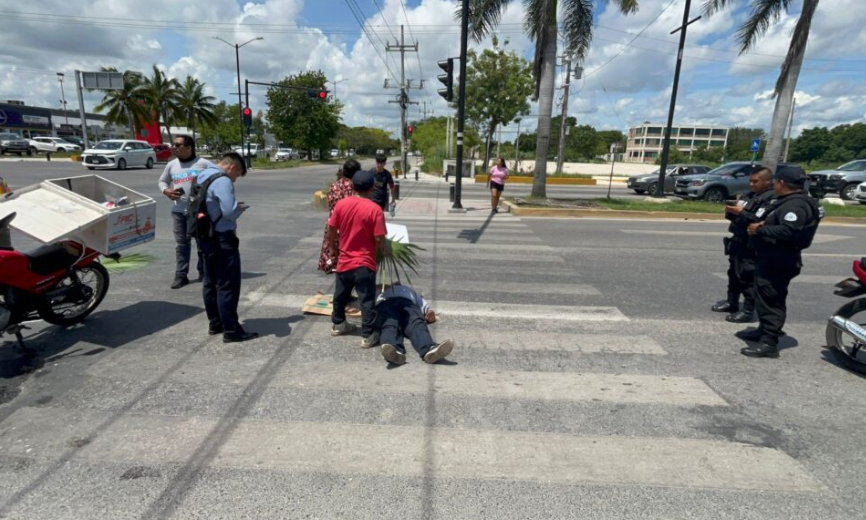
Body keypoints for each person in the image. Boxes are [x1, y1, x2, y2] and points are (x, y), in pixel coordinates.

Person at [740, 166, 821, 358]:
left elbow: (789, 231)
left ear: (782, 183)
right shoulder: (789, 201)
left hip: (779, 260)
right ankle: (764, 330)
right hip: (771, 257)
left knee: (771, 299)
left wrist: (759, 230)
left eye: (776, 181)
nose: (775, 184)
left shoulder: (796, 205)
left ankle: (769, 342)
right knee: (765, 296)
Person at [196, 152, 258, 343]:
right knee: (227, 284)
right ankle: (231, 330)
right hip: (222, 238)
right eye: (237, 174)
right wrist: (238, 209)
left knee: (210, 281)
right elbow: (229, 212)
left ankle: (215, 323)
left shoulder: (202, 175)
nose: (235, 179)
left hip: (205, 235)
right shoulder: (222, 181)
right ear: (232, 168)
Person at [328, 170, 387, 348]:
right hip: (364, 263)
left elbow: (331, 228)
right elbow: (378, 238)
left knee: (340, 296)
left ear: (353, 186)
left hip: (344, 261)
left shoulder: (341, 205)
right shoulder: (375, 210)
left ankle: (338, 324)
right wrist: (384, 252)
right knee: (366, 299)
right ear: (371, 189)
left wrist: (333, 249)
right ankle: (368, 335)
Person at [157, 135, 215, 289]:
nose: (174, 147)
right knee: (182, 244)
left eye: (177, 145)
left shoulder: (204, 164)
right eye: (173, 145)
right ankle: (181, 275)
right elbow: (162, 181)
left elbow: (218, 178)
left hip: (199, 212)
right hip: (178, 211)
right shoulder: (171, 165)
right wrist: (166, 191)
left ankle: (204, 271)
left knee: (201, 242)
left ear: (189, 147)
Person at [721, 167, 775, 323]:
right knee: (733, 273)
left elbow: (758, 220)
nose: (752, 184)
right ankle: (731, 302)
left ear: (767, 181)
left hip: (751, 243)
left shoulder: (770, 199)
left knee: (747, 276)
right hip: (738, 239)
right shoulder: (748, 195)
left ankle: (747, 310)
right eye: (750, 181)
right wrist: (731, 211)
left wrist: (741, 213)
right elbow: (738, 215)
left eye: (755, 181)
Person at [376, 283, 455, 365]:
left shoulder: (408, 290)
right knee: (390, 324)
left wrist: (429, 312)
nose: (396, 282)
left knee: (416, 323)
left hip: (408, 304)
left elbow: (423, 305)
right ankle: (392, 350)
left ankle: (429, 349)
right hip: (386, 303)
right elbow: (366, 304)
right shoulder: (380, 290)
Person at [318, 160, 360, 273]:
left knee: (333, 252)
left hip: (333, 225)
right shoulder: (355, 188)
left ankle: (331, 266)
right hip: (348, 228)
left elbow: (330, 205)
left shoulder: (334, 186)